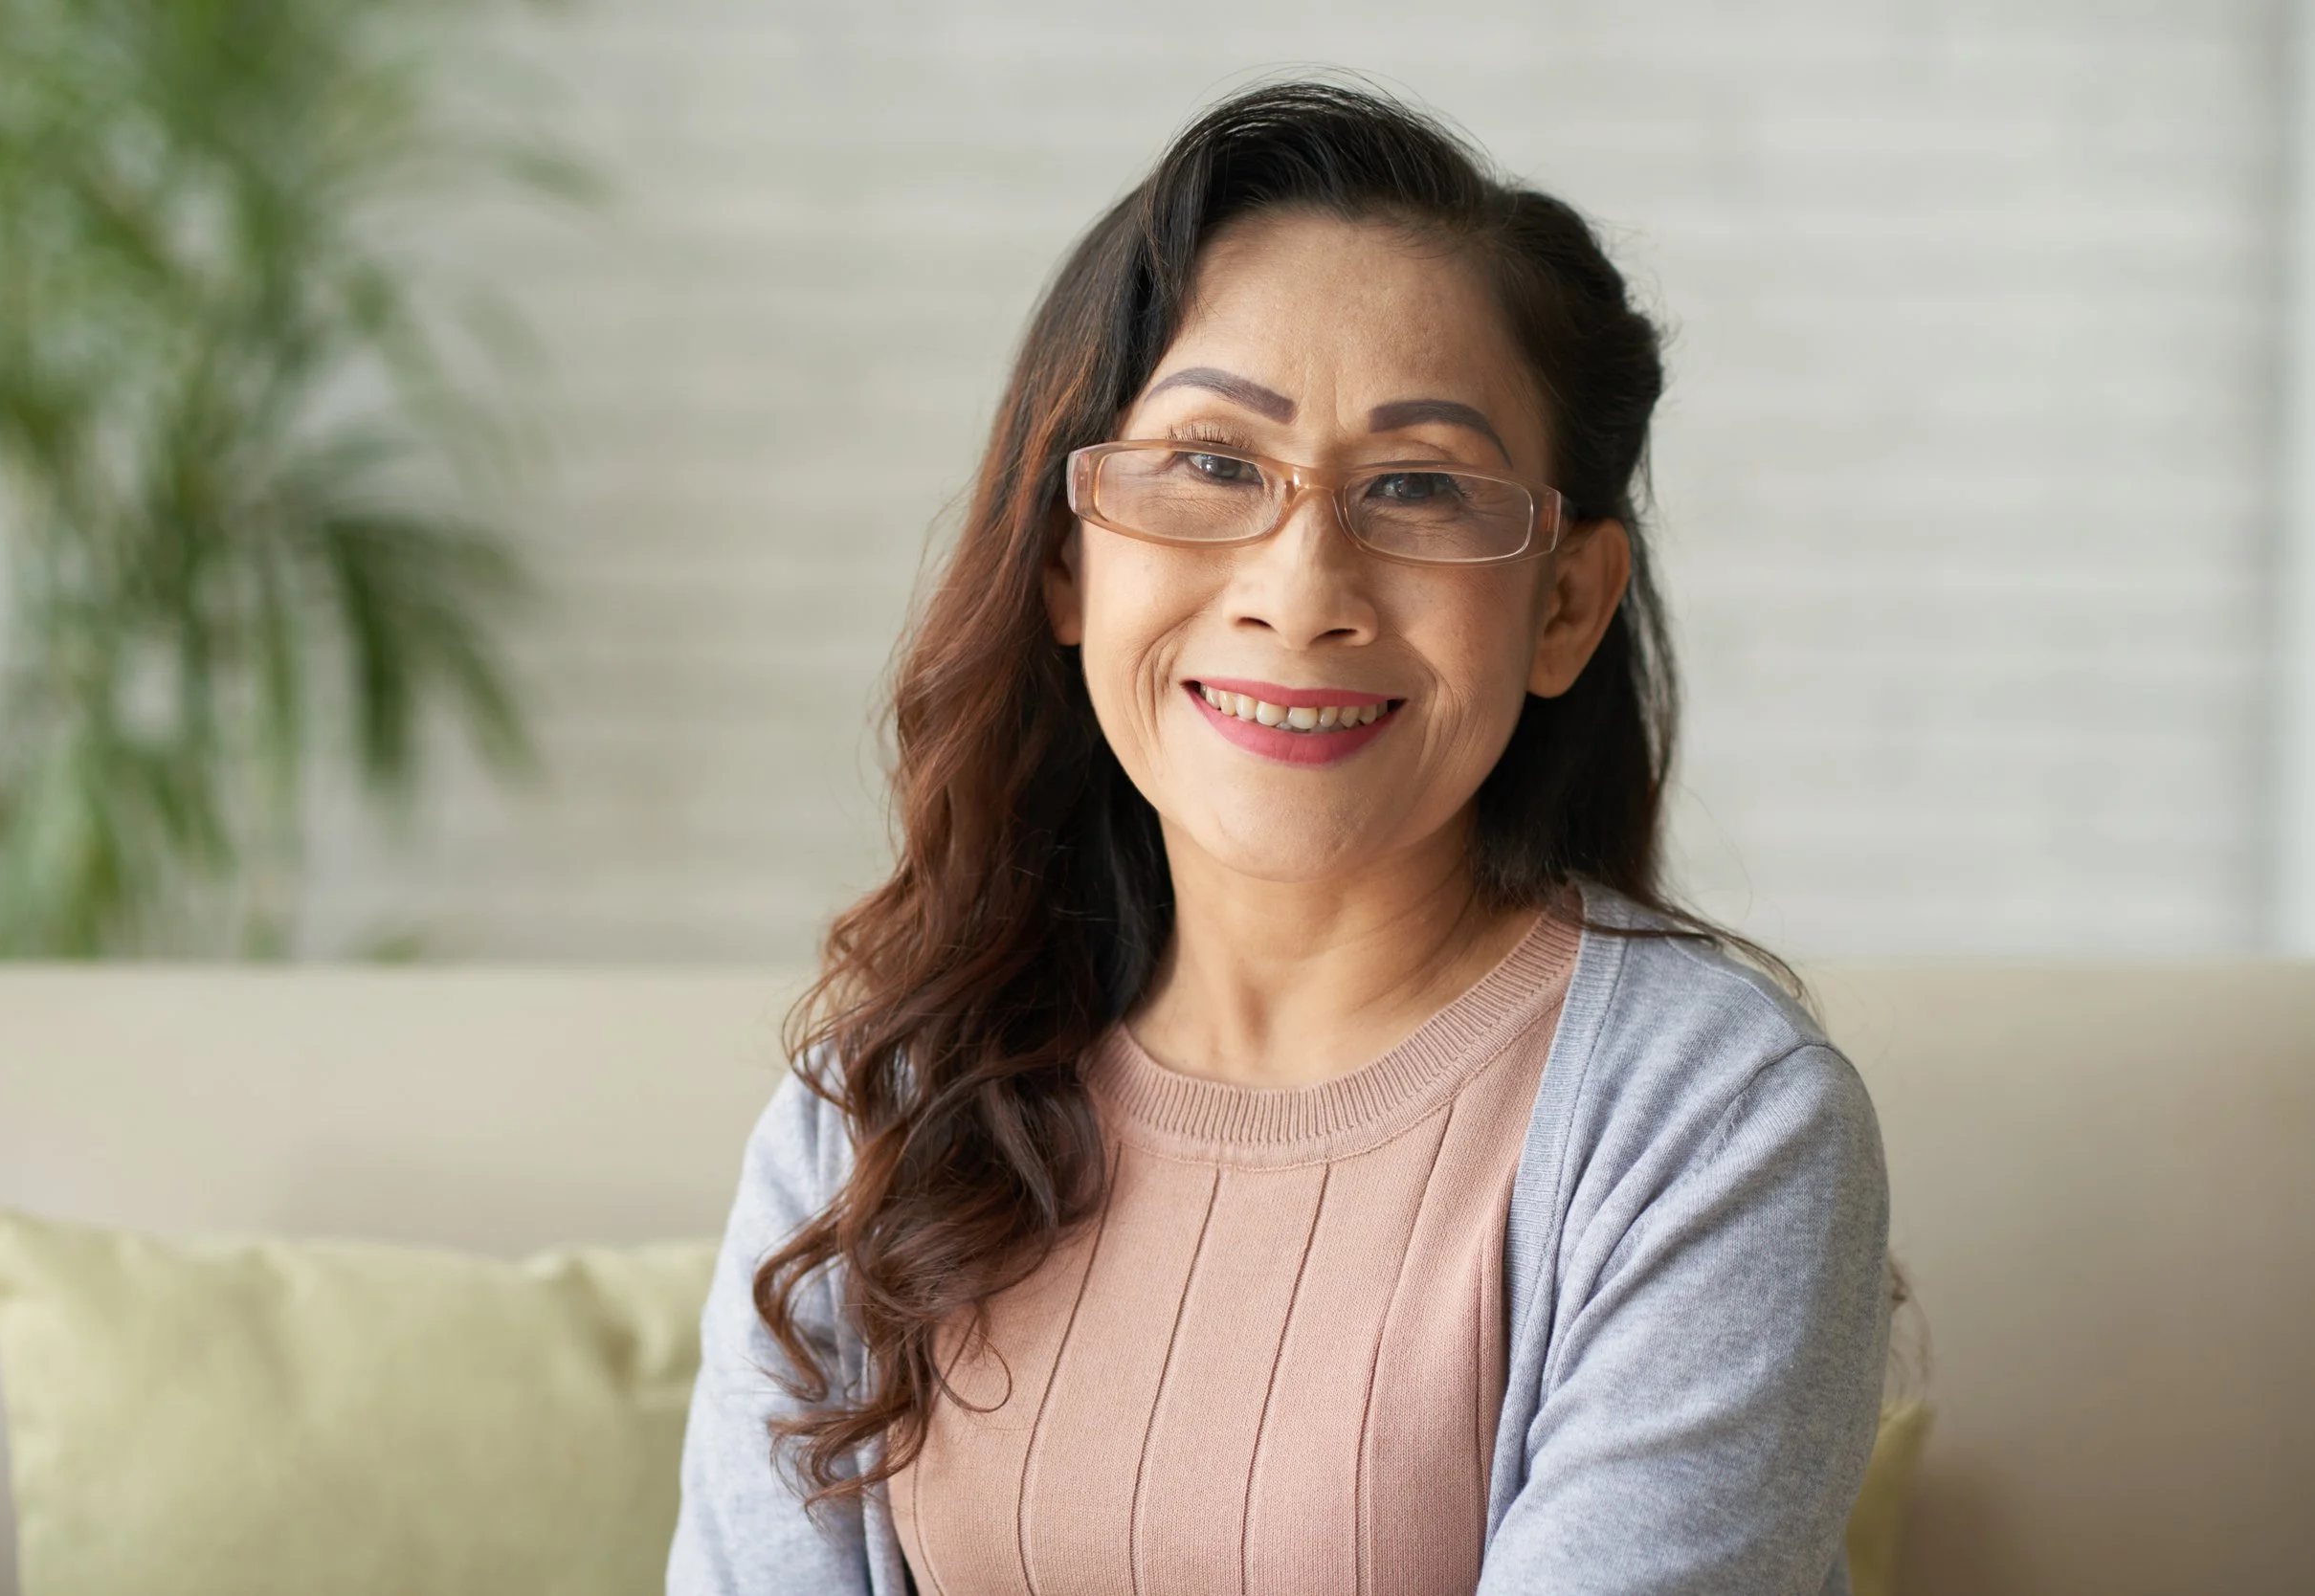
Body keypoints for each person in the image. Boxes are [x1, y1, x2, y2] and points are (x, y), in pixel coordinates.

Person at [668, 80, 1893, 1596]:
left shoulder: (1714, 1127)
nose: (1301, 585)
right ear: (1068, 562)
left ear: (1564, 605)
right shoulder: (876, 1109)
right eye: (1213, 465)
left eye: (1420, 488)